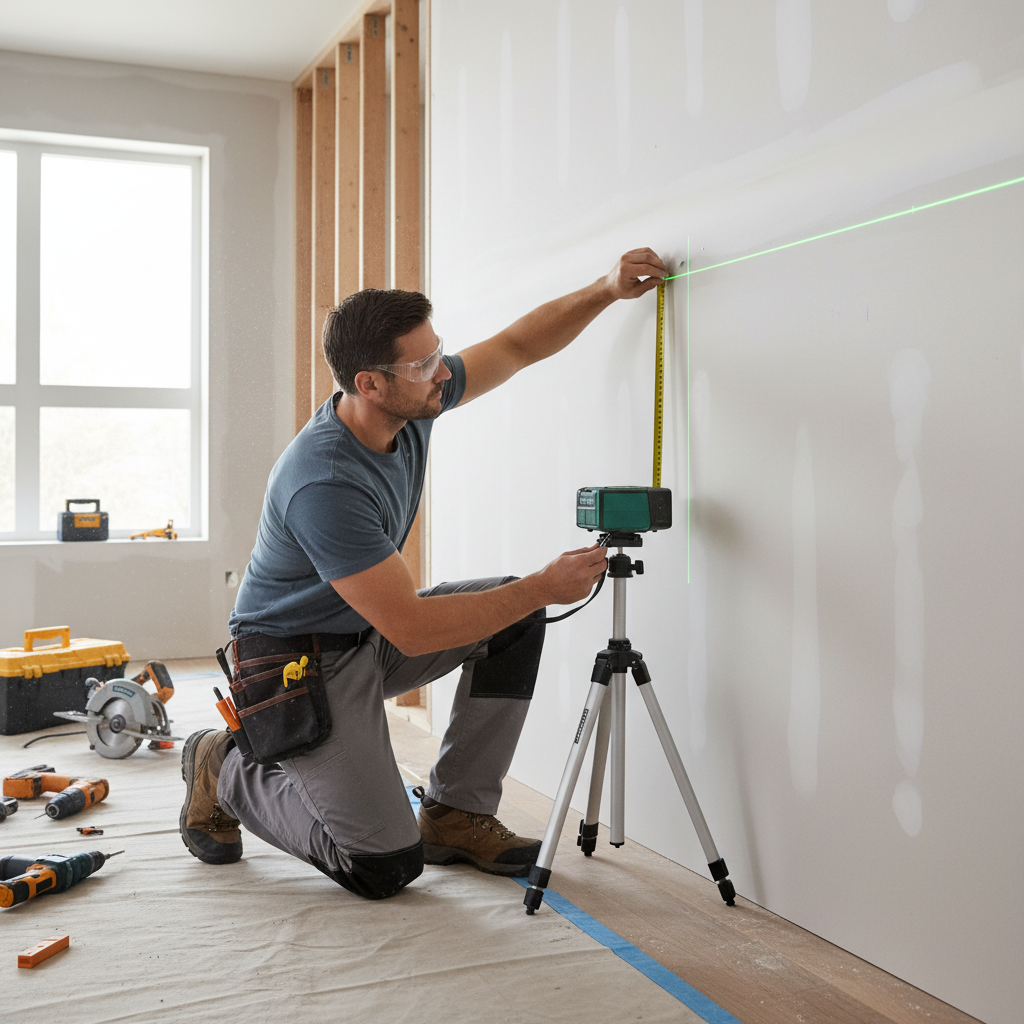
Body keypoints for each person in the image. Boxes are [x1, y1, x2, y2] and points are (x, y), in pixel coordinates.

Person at [179, 247, 666, 900]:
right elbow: (410, 627)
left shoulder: (411, 404)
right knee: (381, 866)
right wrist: (545, 586)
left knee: (515, 612)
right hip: (298, 663)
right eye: (423, 364)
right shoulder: (323, 480)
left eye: (439, 354)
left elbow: (518, 345)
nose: (443, 374)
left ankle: (456, 813)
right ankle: (225, 764)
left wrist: (605, 289)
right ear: (370, 384)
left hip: (364, 633)